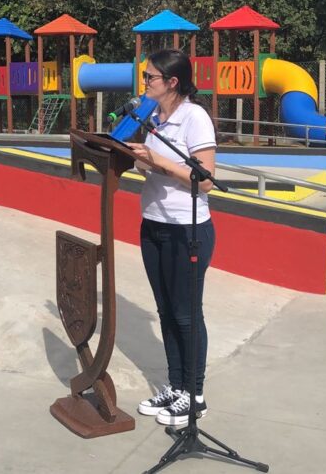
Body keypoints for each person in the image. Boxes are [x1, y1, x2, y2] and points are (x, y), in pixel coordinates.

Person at [126, 48, 217, 428]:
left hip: (187, 228)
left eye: (150, 77)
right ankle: (176, 385)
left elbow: (206, 179)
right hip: (153, 223)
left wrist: (157, 161)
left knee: (186, 313)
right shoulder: (152, 118)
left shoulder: (194, 118)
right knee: (165, 310)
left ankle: (195, 395)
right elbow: (150, 165)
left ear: (172, 82)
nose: (145, 82)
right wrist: (134, 157)